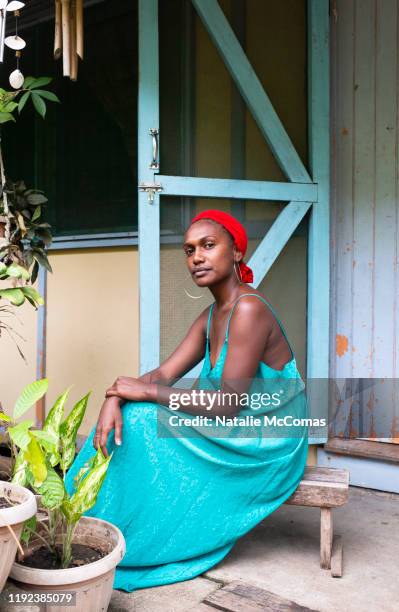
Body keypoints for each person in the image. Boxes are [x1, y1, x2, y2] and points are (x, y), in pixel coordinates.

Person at [64, 209, 309, 591]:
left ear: (236, 253)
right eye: (190, 249)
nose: (197, 257)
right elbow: (161, 376)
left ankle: (125, 541)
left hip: (267, 438)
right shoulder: (211, 315)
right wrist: (114, 396)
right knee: (134, 416)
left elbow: (228, 404)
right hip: (230, 424)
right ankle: (81, 531)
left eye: (209, 246)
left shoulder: (249, 309)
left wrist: (141, 394)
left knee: (145, 420)